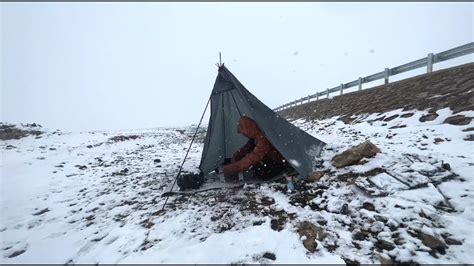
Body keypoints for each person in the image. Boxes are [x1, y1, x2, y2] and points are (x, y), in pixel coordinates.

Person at [223, 116, 292, 180]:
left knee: (261, 174)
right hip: (268, 159)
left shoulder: (263, 139)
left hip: (278, 162)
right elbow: (245, 149)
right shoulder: (256, 137)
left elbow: (252, 158)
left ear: (249, 129)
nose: (244, 135)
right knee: (228, 161)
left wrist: (231, 168)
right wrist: (235, 158)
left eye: (244, 133)